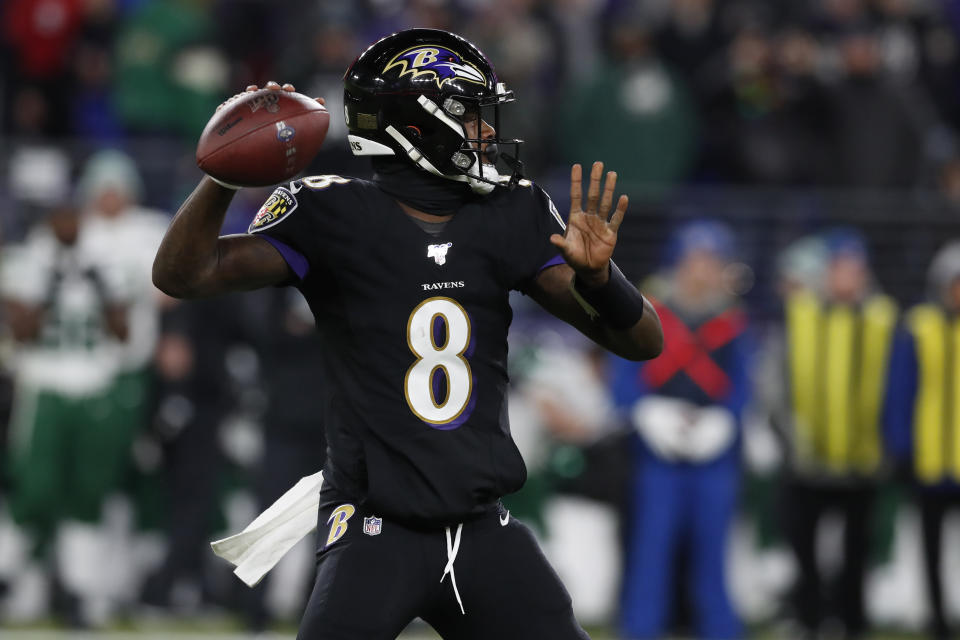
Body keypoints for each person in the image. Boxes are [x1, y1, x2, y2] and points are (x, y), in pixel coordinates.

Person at [152, 28, 662, 640]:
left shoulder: (512, 214)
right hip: (374, 527)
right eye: (471, 116)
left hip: (481, 529)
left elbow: (643, 342)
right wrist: (225, 175)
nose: (487, 132)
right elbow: (183, 274)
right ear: (419, 126)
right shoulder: (332, 213)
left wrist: (603, 280)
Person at [610, 220, 750, 640]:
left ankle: (720, 631)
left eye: (712, 262)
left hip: (715, 458)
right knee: (650, 553)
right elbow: (623, 379)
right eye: (695, 260)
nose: (702, 271)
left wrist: (725, 421)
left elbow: (743, 386)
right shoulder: (647, 311)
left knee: (713, 556)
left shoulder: (734, 322)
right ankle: (640, 630)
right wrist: (648, 415)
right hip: (658, 455)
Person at [2, 201, 129, 627]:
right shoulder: (28, 259)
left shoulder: (102, 256)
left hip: (93, 386)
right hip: (45, 385)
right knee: (35, 490)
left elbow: (123, 332)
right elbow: (19, 333)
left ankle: (79, 592)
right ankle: (6, 573)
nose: (69, 221)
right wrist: (48, 290)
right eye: (61, 214)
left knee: (87, 495)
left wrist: (104, 291)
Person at [776, 230, 898, 640]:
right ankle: (807, 618)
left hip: (862, 457)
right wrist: (786, 435)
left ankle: (852, 623)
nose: (846, 277)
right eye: (839, 269)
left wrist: (887, 443)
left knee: (856, 551)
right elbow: (780, 377)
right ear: (827, 272)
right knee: (804, 547)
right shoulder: (802, 311)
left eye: (853, 269)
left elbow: (895, 386)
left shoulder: (883, 317)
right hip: (808, 455)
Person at [885, 241, 960, 640]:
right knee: (930, 548)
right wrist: (901, 447)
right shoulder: (919, 325)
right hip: (930, 458)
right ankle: (937, 617)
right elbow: (900, 391)